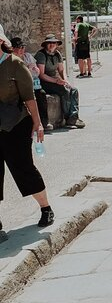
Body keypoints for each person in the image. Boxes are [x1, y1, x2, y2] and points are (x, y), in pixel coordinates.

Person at [0, 27, 54, 230]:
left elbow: (29, 97)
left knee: (22, 167)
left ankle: (45, 208)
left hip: (16, 124)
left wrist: (38, 123)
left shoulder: (14, 64)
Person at [35, 34, 84, 129]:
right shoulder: (41, 55)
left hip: (54, 80)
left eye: (54, 43)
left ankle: (74, 117)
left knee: (73, 90)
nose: (52, 45)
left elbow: (61, 70)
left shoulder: (57, 54)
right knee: (64, 91)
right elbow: (41, 74)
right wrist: (56, 81)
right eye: (49, 43)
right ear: (45, 44)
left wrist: (65, 81)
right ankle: (67, 118)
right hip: (44, 82)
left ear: (57, 44)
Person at [11, 38, 51, 132]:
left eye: (23, 47)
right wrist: (28, 70)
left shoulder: (27, 56)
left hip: (33, 85)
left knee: (41, 94)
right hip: (20, 87)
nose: (22, 50)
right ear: (13, 49)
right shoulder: (11, 60)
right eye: (19, 47)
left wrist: (33, 70)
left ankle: (44, 122)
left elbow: (36, 72)